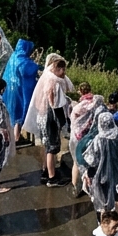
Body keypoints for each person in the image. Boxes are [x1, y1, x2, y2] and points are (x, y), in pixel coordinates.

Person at [24, 54, 75, 186]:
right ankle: (52, 178)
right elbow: (51, 96)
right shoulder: (52, 80)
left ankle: (46, 171)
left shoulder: (47, 75)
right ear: (57, 68)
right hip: (49, 117)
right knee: (52, 147)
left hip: (42, 115)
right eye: (62, 70)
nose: (64, 73)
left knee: (45, 144)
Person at [83, 111, 118, 216]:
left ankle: (105, 223)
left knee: (103, 201)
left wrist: (89, 175)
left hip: (103, 175)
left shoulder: (98, 140)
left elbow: (92, 160)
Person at [1, 38, 40, 145]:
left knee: (10, 113)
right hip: (17, 91)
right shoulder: (22, 59)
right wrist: (38, 66)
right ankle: (16, 138)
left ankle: (9, 137)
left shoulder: (13, 56)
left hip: (9, 88)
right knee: (18, 113)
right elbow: (28, 70)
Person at [70, 83, 106, 195]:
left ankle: (76, 187)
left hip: (78, 137)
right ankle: (91, 189)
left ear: (80, 91)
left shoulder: (80, 106)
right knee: (91, 163)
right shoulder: (97, 105)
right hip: (92, 138)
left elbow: (73, 120)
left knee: (77, 162)